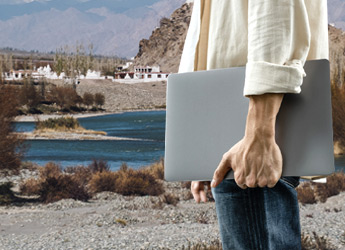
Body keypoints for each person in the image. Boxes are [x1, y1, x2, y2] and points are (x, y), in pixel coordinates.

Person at [178, 0, 329, 249]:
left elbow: (276, 16)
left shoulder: (258, 132)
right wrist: (201, 148)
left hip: (256, 129)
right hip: (234, 131)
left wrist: (260, 131)